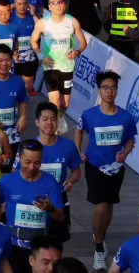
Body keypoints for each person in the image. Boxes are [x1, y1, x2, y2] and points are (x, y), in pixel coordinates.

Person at [75, 71, 137, 271]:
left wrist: (125, 153)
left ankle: (100, 235)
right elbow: (78, 129)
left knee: (109, 207)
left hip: (116, 169)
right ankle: (99, 248)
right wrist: (79, 151)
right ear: (99, 89)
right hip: (94, 166)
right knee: (100, 206)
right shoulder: (89, 115)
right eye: (106, 88)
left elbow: (130, 139)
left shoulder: (125, 117)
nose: (110, 91)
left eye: (113, 88)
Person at [0, 140, 65, 273]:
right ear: (19, 158)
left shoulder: (49, 181)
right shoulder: (6, 182)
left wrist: (50, 208)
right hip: (14, 246)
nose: (32, 167)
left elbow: (61, 217)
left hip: (40, 249)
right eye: (27, 162)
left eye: (37, 162)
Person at [30, 0, 86, 133]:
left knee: (65, 104)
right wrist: (41, 56)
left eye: (60, 2)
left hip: (67, 67)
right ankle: (52, 133)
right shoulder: (42, 23)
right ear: (49, 6)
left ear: (65, 4)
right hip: (51, 66)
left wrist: (77, 52)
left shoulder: (72, 22)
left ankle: (60, 117)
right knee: (54, 102)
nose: (58, 5)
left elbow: (83, 43)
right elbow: (33, 42)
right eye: (54, 2)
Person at [34, 102, 81, 243]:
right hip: (36, 200)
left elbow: (77, 171)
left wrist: (71, 181)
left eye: (53, 119)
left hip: (59, 200)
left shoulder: (68, 146)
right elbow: (16, 174)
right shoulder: (29, 146)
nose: (49, 123)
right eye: (45, 119)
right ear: (37, 122)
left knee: (58, 243)